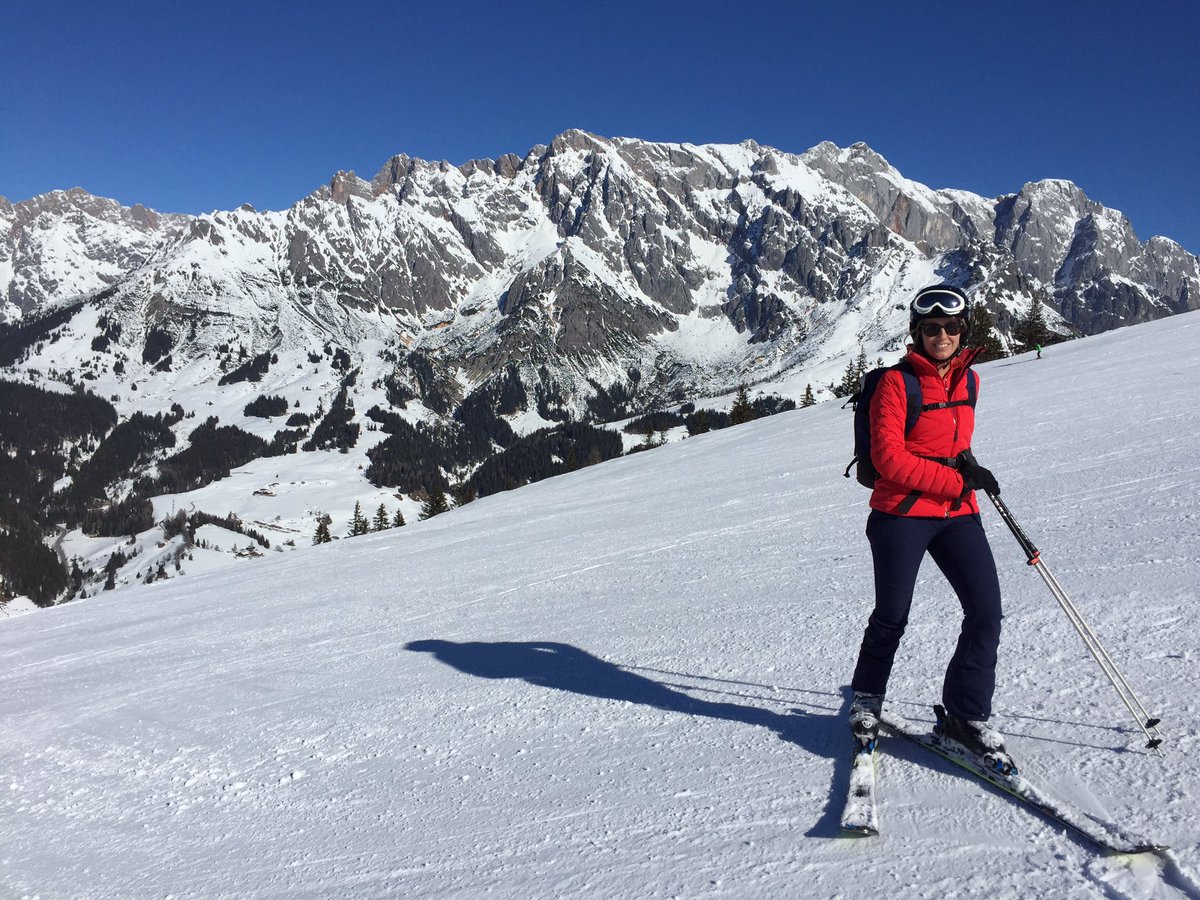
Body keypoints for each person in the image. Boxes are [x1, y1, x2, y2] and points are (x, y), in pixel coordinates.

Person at [848, 284, 1013, 771]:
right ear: (917, 332)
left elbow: (953, 445)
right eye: (932, 327)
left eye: (952, 326)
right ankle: (866, 699)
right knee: (892, 615)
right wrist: (958, 480)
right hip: (900, 514)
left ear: (965, 330)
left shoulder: (970, 382)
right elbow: (890, 460)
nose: (942, 335)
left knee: (986, 612)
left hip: (956, 513)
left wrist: (971, 470)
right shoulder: (896, 384)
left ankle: (966, 717)